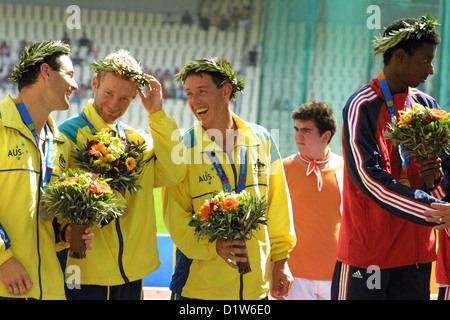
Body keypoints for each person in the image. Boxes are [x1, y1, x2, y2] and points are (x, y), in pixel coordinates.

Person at [331, 15, 449, 300]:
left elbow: (443, 169)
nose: (431, 70)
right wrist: (432, 209)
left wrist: (436, 184)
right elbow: (369, 179)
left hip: (417, 256)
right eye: (425, 60)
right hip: (369, 257)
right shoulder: (362, 105)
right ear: (399, 56)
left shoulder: (426, 105)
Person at [162, 57, 296, 300]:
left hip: (255, 290)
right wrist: (213, 246)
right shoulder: (183, 149)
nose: (195, 101)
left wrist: (281, 261)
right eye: (190, 94)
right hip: (199, 291)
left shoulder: (262, 139)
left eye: (202, 91)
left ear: (226, 91)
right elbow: (175, 219)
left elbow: (278, 207)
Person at [58, 49, 186, 300]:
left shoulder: (136, 142)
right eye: (109, 93)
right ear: (95, 84)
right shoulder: (69, 134)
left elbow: (173, 173)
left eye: (125, 99)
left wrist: (157, 114)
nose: (114, 104)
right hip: (84, 273)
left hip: (131, 273)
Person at [0, 40, 94, 299]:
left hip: (49, 288)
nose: (75, 85)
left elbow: (42, 219)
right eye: (70, 75)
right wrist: (2, 259)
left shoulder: (59, 144)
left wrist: (64, 233)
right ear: (46, 72)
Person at [283, 101, 343, 300]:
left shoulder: (347, 170)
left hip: (336, 274)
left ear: (326, 136)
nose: (298, 136)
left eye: (306, 130)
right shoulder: (283, 169)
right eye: (297, 129)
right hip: (293, 276)